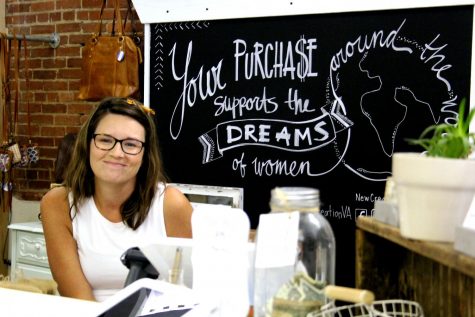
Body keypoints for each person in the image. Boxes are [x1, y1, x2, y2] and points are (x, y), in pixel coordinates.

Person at [40, 97, 193, 302]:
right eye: (105, 140)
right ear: (88, 144)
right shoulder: (58, 204)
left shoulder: (171, 204)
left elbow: (193, 290)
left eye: (131, 144)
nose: (117, 153)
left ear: (145, 154)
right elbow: (77, 297)